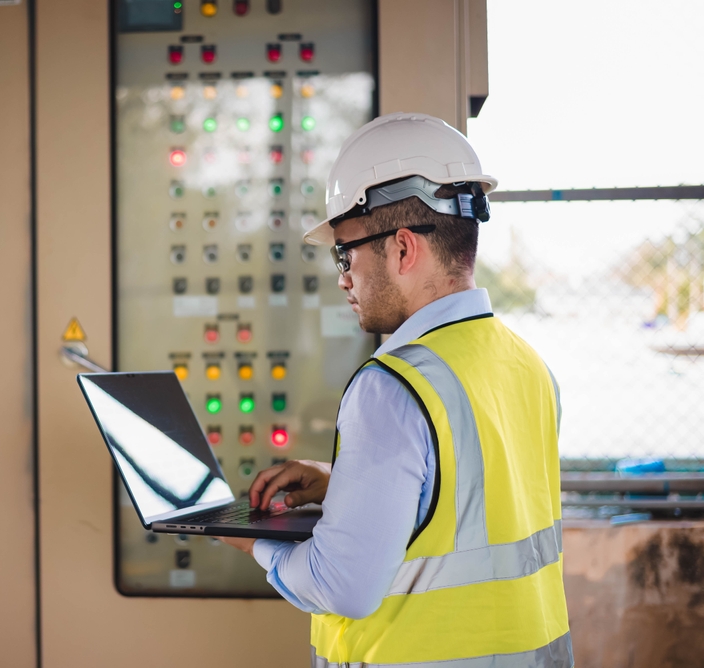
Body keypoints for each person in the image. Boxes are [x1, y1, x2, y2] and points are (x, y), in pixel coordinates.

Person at [219, 113, 572, 667]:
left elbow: (343, 586)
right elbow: (472, 507)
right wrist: (344, 485)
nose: (343, 278)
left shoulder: (392, 389)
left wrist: (248, 540)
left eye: (346, 253)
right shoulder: (526, 364)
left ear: (403, 249)